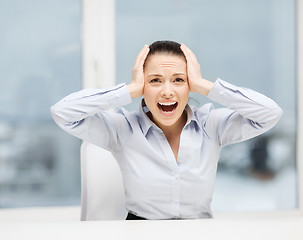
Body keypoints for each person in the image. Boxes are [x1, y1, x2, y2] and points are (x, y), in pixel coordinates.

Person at [50, 40, 282, 220]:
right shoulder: (122, 129)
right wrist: (129, 89)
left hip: (200, 232)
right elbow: (63, 113)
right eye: (155, 81)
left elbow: (269, 114)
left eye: (179, 80)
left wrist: (205, 86)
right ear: (143, 86)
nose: (167, 91)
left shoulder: (211, 125)